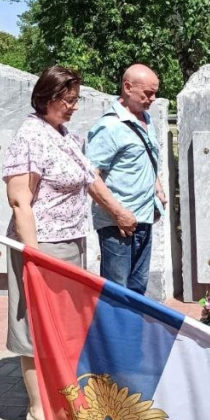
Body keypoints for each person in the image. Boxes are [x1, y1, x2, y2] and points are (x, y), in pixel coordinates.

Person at [2, 65, 137, 420]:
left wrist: (117, 210)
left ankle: (62, 398)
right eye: (68, 100)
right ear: (47, 98)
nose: (74, 107)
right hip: (41, 245)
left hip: (73, 243)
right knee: (33, 327)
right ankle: (35, 410)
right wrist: (33, 257)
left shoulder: (65, 135)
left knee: (64, 327)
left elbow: (91, 179)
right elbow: (19, 201)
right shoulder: (29, 137)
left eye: (76, 100)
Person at [86, 63, 166, 294]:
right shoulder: (109, 127)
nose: (152, 98)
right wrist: (119, 213)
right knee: (117, 292)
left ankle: (131, 330)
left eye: (155, 93)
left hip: (144, 219)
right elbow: (90, 177)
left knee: (137, 288)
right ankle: (113, 331)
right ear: (128, 87)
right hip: (118, 225)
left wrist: (157, 187)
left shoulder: (146, 120)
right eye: (147, 93)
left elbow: (146, 158)